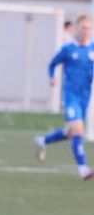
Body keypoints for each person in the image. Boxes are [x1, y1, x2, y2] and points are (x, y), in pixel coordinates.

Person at [34, 14, 94, 180]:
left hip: (85, 97)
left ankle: (42, 140)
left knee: (70, 132)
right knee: (78, 130)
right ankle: (83, 168)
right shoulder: (68, 49)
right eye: (83, 27)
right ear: (76, 28)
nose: (86, 31)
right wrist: (52, 77)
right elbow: (52, 64)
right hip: (70, 96)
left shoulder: (92, 49)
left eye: (89, 28)